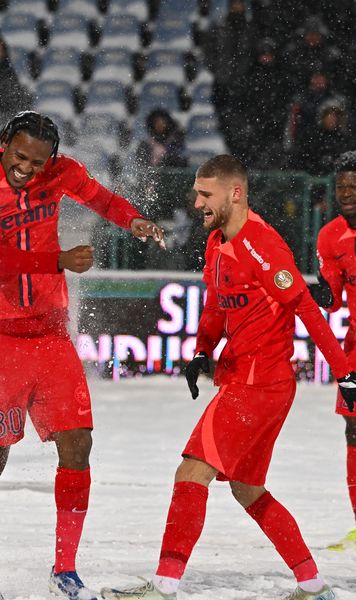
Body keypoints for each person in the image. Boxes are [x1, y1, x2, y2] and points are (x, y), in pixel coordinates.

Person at [100, 154, 356, 600]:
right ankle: (313, 584)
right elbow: (217, 303)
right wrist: (202, 350)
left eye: (205, 194)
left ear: (234, 194)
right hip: (248, 379)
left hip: (260, 382)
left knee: (191, 471)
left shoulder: (262, 244)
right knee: (248, 489)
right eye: (196, 192)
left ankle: (164, 585)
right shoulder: (217, 241)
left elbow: (306, 309)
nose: (196, 201)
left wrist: (344, 372)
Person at [0, 110, 165, 600]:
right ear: (4, 143)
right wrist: (57, 261)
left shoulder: (63, 171)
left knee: (78, 445)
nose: (26, 169)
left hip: (51, 335)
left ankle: (65, 569)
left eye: (37, 161)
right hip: (2, 340)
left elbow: (101, 199)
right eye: (18, 156)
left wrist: (132, 218)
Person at [310, 150, 356, 551]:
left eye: (353, 186)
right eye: (342, 186)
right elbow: (333, 297)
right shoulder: (330, 236)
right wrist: (315, 292)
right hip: (355, 350)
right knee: (353, 431)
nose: (346, 192)